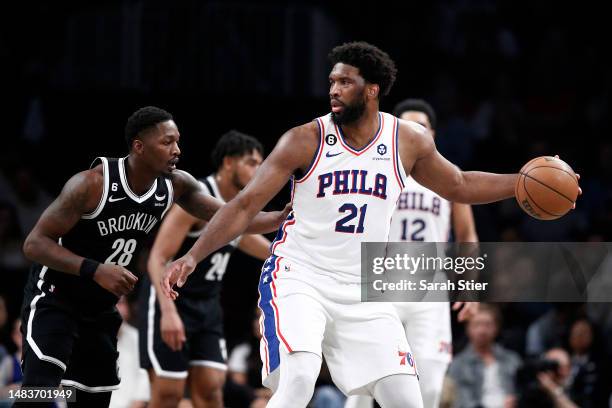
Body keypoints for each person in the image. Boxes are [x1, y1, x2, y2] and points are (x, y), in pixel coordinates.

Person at [162, 42, 579, 408]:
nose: (333, 91)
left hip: (364, 287)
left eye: (345, 82)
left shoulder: (406, 141)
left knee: (407, 398)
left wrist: (521, 181)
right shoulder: (304, 139)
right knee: (299, 379)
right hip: (299, 275)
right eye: (331, 82)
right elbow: (244, 204)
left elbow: (459, 184)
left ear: (372, 89)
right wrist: (193, 255)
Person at [18, 106, 287, 407]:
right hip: (57, 297)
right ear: (139, 147)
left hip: (100, 307)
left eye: (178, 141)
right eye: (167, 142)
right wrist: (94, 269)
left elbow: (227, 216)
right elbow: (34, 244)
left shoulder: (175, 184)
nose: (177, 150)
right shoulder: (91, 184)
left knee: (91, 399)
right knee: (37, 393)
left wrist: (277, 218)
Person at [344, 98, 480, 408]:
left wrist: (470, 286)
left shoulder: (450, 177)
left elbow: (467, 235)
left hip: (430, 289)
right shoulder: (375, 172)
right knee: (362, 387)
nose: (414, 131)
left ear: (433, 134)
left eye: (422, 126)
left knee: (429, 389)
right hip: (380, 286)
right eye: (407, 126)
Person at [141, 130, 272, 408]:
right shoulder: (196, 200)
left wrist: (297, 254)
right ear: (228, 163)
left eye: (261, 163)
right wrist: (168, 312)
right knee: (168, 395)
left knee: (212, 391)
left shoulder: (237, 210)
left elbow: (259, 245)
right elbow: (157, 259)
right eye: (251, 162)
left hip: (207, 306)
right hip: (172, 301)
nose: (258, 170)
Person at [447, 304, 521, 408]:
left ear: (496, 328)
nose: (482, 331)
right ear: (468, 328)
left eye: (487, 325)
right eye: (477, 324)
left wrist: (517, 401)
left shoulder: (512, 359)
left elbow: (523, 392)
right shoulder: (458, 364)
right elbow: (462, 402)